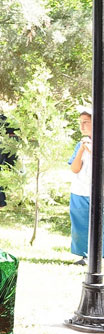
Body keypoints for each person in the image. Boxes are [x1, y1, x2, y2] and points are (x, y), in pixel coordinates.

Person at [70, 109, 93, 265]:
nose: (82, 126)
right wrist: (81, 150)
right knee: (81, 224)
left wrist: (91, 151)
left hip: (98, 193)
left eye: (86, 122)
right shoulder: (81, 144)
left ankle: (98, 255)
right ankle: (85, 256)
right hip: (80, 191)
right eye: (80, 123)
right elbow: (75, 168)